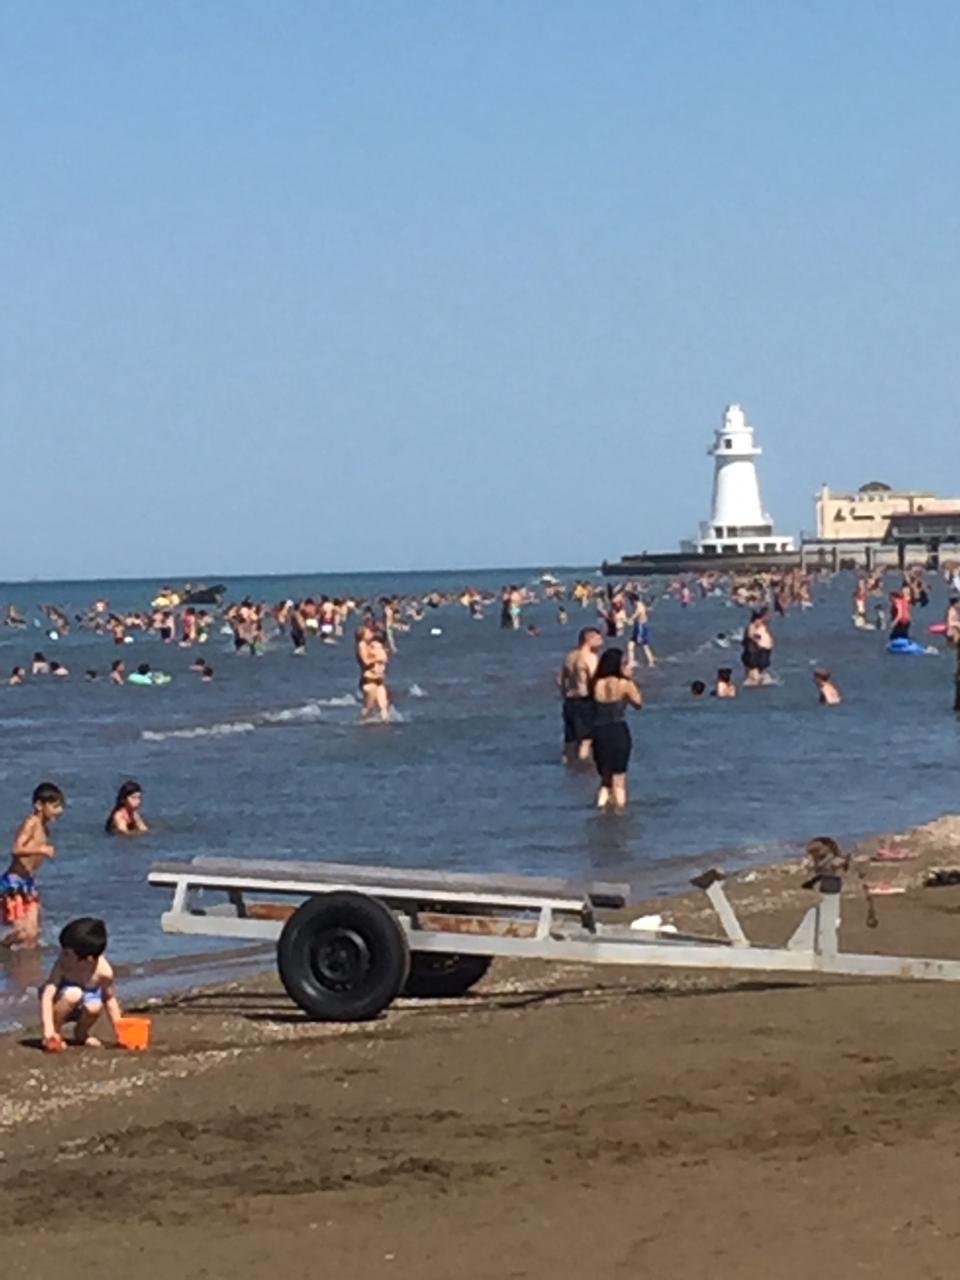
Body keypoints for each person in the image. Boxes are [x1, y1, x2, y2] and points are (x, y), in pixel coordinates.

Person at [39, 917, 124, 1052]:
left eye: (67, 953)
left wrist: (121, 1033)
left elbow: (109, 999)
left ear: (88, 959)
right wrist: (48, 1030)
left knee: (95, 1006)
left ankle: (81, 1033)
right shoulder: (63, 964)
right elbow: (48, 994)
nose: (62, 955)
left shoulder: (104, 972)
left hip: (85, 1001)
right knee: (73, 994)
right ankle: (55, 1034)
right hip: (61, 1001)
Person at [1, 782, 65, 949]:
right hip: (14, 883)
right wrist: (41, 849)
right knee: (21, 933)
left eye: (60, 806)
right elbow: (16, 849)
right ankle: (3, 947)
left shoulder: (45, 829)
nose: (59, 811)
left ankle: (28, 964)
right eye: (54, 806)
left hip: (29, 884)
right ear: (39, 805)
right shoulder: (31, 822)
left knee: (33, 935)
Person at [590, 647, 643, 810]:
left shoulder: (595, 684)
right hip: (618, 730)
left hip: (599, 731)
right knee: (619, 778)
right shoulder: (624, 684)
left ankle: (600, 809)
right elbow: (638, 703)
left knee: (605, 779)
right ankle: (620, 813)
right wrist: (630, 680)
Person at [558, 627, 603, 763]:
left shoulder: (570, 656)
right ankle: (583, 766)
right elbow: (595, 680)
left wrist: (565, 693)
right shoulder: (590, 657)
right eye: (598, 639)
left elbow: (559, 680)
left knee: (570, 741)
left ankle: (567, 767)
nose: (601, 642)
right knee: (586, 740)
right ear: (588, 639)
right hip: (585, 701)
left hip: (569, 701)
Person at [356, 625, 391, 722]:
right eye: (368, 632)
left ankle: (386, 723)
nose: (371, 634)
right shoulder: (361, 645)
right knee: (368, 708)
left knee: (384, 706)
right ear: (363, 635)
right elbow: (365, 661)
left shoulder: (371, 644)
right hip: (369, 680)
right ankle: (359, 722)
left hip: (379, 680)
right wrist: (377, 659)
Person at [742, 608, 775, 687]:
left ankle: (756, 679)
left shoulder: (763, 626)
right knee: (754, 674)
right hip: (754, 655)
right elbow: (750, 635)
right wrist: (756, 639)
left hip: (762, 653)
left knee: (760, 671)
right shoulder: (752, 626)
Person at [627, 595, 656, 668]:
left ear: (633, 601)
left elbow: (637, 613)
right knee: (631, 645)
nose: (630, 603)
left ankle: (651, 662)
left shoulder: (639, 606)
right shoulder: (640, 604)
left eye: (630, 601)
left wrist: (630, 619)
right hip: (639, 627)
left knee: (644, 646)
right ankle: (632, 661)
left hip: (641, 628)